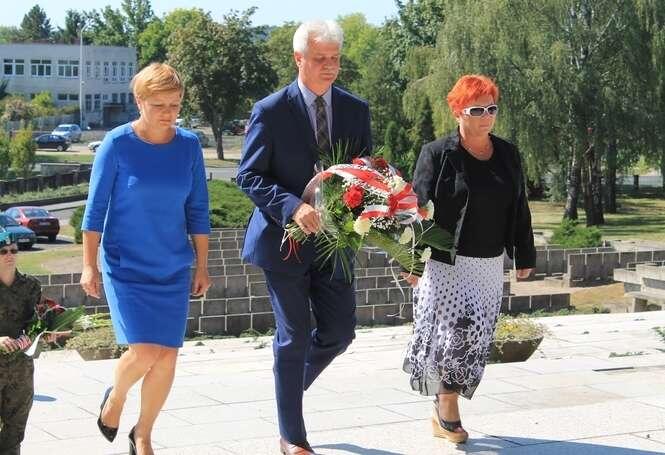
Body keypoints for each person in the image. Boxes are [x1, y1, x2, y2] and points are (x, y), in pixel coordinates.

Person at [237, 20, 372, 455]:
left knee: (340, 333)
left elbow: (364, 172)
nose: (329, 66)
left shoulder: (355, 109)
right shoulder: (270, 110)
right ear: (299, 59)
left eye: (335, 58)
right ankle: (292, 437)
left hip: (336, 243)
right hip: (283, 242)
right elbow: (249, 176)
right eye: (319, 59)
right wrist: (293, 206)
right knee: (293, 336)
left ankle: (288, 389)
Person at [80, 63, 210, 455]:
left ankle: (143, 435)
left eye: (175, 104)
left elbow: (198, 210)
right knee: (146, 352)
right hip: (126, 266)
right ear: (139, 101)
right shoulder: (117, 144)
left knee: (167, 357)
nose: (169, 113)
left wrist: (202, 265)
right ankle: (116, 397)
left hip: (172, 266)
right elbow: (94, 210)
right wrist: (89, 264)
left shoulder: (189, 146)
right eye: (159, 105)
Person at [402, 74, 535, 444]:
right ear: (458, 112)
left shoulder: (507, 153)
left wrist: (524, 253)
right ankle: (447, 408)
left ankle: (441, 407)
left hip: (489, 263)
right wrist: (412, 261)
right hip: (446, 263)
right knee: (453, 337)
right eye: (477, 110)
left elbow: (519, 205)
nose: (486, 116)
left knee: (475, 337)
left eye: (491, 108)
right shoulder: (437, 153)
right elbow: (418, 208)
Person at [0, 231, 42, 455]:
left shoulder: (30, 286)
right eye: (3, 251)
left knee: (14, 432)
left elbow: (37, 322)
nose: (10, 255)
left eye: (13, 250)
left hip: (20, 370)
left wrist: (32, 336)